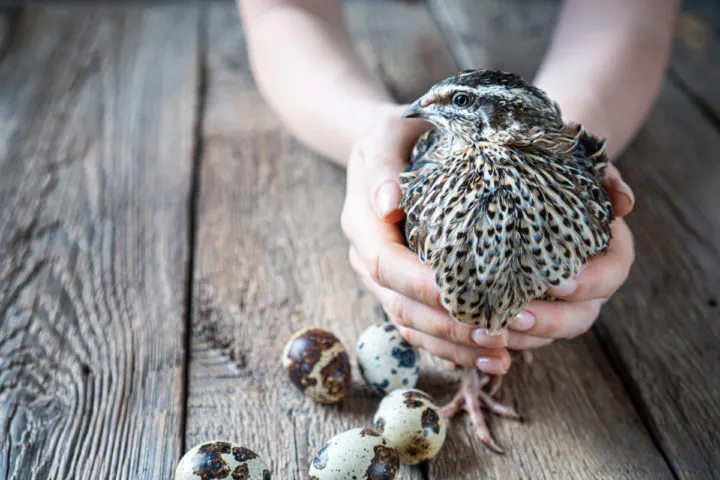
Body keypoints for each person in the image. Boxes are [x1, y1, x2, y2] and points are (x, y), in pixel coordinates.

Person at [237, 0, 678, 375]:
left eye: (460, 104)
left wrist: (581, 128)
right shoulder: (436, 184)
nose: (425, 108)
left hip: (594, 66)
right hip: (369, 53)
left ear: (503, 118)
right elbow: (281, 10)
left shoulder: (570, 186)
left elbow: (635, 15)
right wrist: (370, 136)